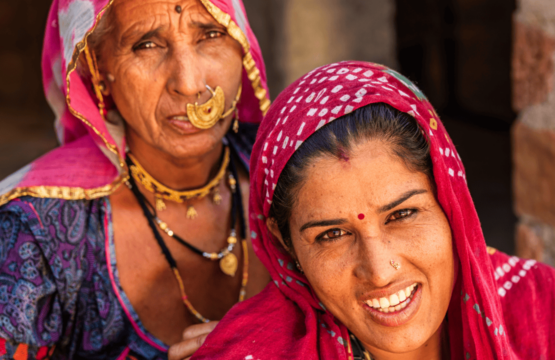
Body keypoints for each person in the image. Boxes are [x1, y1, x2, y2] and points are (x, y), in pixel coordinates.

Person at [192, 61, 555, 360]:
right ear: (285, 244)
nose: (380, 273)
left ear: (449, 200)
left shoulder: (540, 309)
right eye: (332, 235)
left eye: (402, 215)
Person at [0, 0, 271, 358]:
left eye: (211, 34)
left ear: (242, 47)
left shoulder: (291, 173)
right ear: (99, 69)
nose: (189, 85)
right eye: (147, 44)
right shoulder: (31, 230)